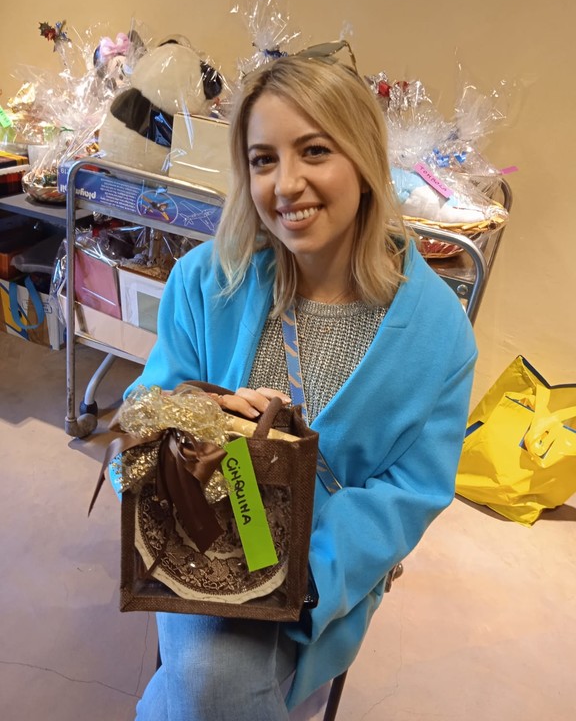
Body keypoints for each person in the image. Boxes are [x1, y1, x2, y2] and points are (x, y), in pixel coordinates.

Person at [125, 51, 477, 720]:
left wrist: (304, 578)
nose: (286, 185)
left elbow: (411, 491)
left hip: (325, 571)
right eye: (263, 159)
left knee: (206, 686)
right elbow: (145, 415)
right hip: (204, 536)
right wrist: (203, 410)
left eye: (314, 151)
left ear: (364, 161)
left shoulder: (437, 334)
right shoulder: (207, 281)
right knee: (209, 677)